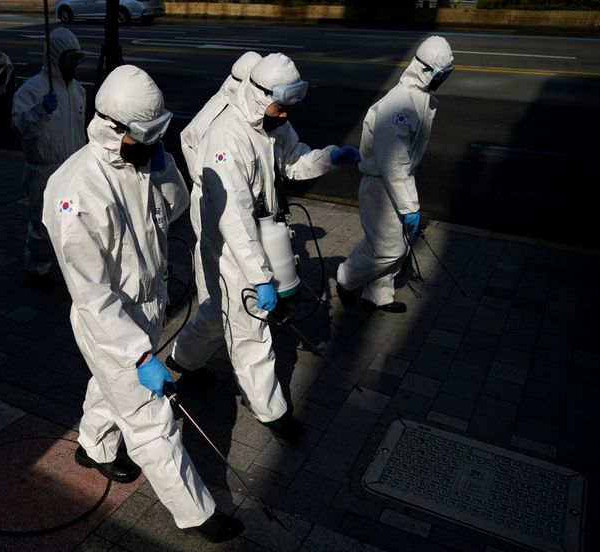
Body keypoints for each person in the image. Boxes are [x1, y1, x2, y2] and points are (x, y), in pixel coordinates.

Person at [42, 65, 243, 543]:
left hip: (150, 303)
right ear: (114, 128)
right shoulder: (75, 192)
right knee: (152, 420)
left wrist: (162, 165)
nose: (156, 143)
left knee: (108, 388)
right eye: (146, 135)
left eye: (160, 133)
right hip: (110, 324)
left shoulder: (145, 161)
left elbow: (171, 208)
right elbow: (92, 295)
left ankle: (93, 446)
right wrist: (138, 354)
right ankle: (198, 514)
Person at [169, 53, 361, 439]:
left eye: (288, 107)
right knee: (251, 329)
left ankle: (183, 359)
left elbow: (292, 161)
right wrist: (259, 278)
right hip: (228, 241)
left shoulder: (269, 121)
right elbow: (234, 219)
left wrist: (328, 158)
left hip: (256, 231)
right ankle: (270, 411)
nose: (285, 116)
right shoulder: (227, 137)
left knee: (217, 308)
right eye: (280, 107)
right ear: (258, 96)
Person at [337, 35, 454, 313]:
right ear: (425, 70)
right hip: (381, 187)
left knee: (398, 242)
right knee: (387, 248)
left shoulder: (419, 97)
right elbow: (393, 162)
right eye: (442, 73)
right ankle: (346, 277)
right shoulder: (398, 105)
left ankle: (377, 295)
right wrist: (410, 206)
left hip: (396, 184)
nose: (444, 79)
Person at [168, 51, 262, 392]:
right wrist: (206, 181)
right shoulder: (218, 110)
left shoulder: (248, 109)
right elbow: (187, 141)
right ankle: (187, 358)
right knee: (218, 296)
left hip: (235, 205)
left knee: (226, 297)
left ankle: (187, 358)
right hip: (211, 204)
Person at [11, 28, 86, 281]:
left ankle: (72, 268)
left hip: (73, 168)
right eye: (70, 58)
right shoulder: (31, 91)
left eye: (78, 58)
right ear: (55, 57)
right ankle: (39, 267)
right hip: (44, 170)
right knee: (42, 223)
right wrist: (40, 110)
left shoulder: (78, 91)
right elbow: (18, 125)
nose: (74, 64)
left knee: (75, 222)